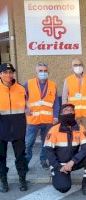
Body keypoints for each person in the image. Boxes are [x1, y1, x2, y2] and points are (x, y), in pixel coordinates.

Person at [44, 104, 86, 195]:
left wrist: (72, 162)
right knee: (63, 188)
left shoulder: (80, 128)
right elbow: (48, 152)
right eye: (66, 110)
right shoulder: (54, 129)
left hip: (73, 163)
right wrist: (59, 167)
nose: (69, 111)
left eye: (71, 110)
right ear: (61, 113)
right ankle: (57, 174)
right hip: (59, 165)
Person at [24, 62, 60, 169]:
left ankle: (43, 160)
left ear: (48, 72)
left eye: (45, 71)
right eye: (40, 71)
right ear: (36, 72)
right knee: (28, 143)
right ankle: (25, 162)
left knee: (46, 142)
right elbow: (21, 97)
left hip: (48, 120)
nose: (43, 73)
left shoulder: (53, 85)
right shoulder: (28, 83)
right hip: (32, 120)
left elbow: (56, 103)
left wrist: (55, 116)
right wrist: (25, 107)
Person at [0, 63, 28, 192]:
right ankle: (3, 180)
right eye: (5, 72)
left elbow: (28, 106)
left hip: (18, 127)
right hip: (1, 127)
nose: (8, 75)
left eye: (10, 72)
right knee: (1, 157)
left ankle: (22, 179)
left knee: (20, 156)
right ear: (0, 74)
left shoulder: (21, 88)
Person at [62, 58, 86, 141]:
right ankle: (76, 153)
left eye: (79, 64)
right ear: (72, 67)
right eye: (75, 65)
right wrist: (65, 112)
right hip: (73, 114)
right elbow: (64, 97)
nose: (78, 67)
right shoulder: (68, 80)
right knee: (74, 137)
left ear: (83, 66)